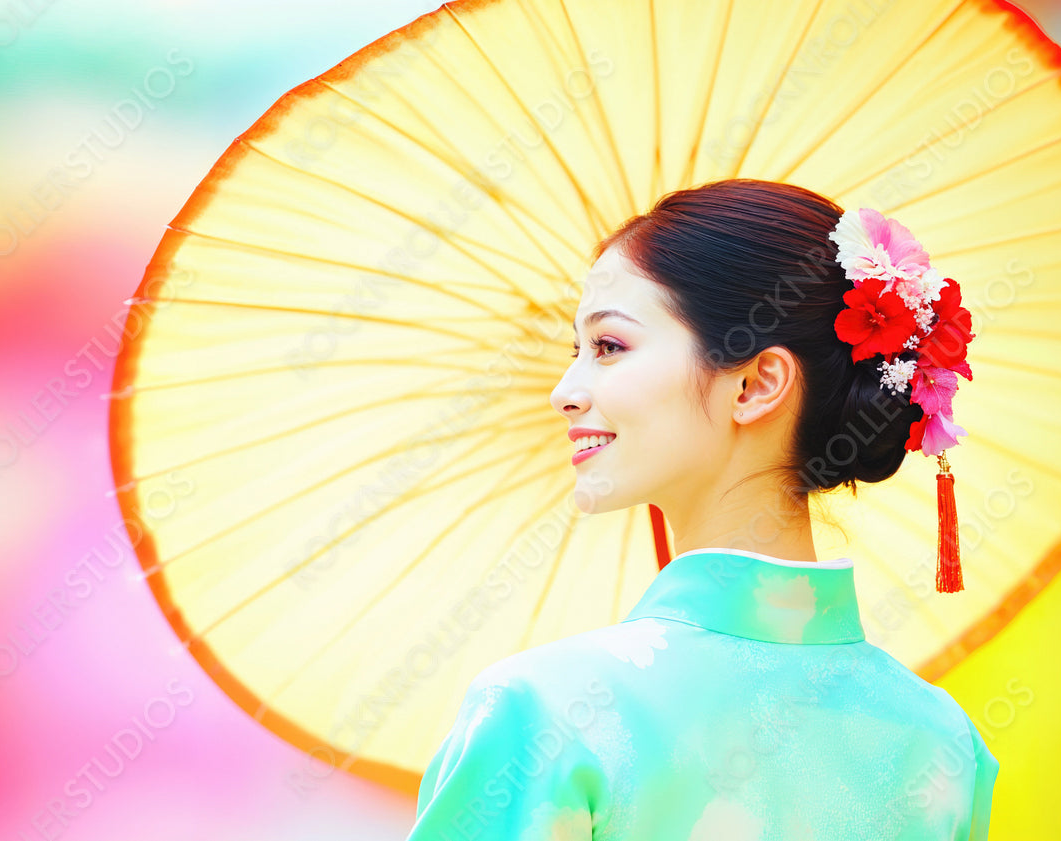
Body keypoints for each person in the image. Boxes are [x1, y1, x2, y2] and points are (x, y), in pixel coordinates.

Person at [403, 179, 996, 840]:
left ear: (755, 382)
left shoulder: (545, 714)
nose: (564, 392)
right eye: (579, 352)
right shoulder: (941, 741)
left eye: (608, 346)